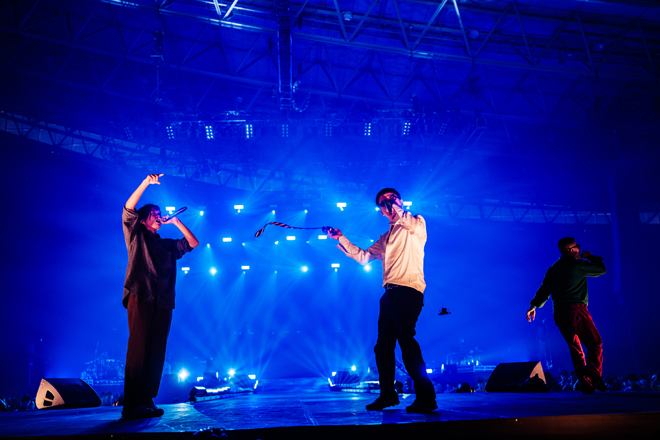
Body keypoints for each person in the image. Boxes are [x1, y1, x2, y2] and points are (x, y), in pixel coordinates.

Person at [327, 188, 437, 413]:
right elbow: (364, 257)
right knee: (382, 347)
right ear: (380, 211)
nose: (387, 202)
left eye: (391, 198)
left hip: (409, 290)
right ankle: (387, 395)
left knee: (406, 339)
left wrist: (395, 207)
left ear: (400, 201)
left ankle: (426, 396)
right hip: (389, 294)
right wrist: (341, 238)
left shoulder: (416, 223)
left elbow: (409, 223)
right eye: (383, 202)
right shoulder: (384, 238)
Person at [121, 174, 199, 419]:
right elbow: (129, 208)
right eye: (153, 213)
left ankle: (146, 399)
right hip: (141, 293)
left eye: (159, 213)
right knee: (139, 347)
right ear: (143, 220)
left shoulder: (166, 245)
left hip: (163, 300)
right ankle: (132, 403)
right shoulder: (136, 234)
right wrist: (145, 182)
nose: (158, 215)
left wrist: (175, 222)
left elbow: (193, 243)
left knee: (157, 350)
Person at [526, 237, 607, 394]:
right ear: (570, 250)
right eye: (577, 247)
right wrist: (590, 257)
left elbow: (544, 290)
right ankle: (592, 370)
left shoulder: (553, 269)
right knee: (595, 342)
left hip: (559, 313)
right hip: (576, 310)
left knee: (575, 348)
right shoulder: (577, 265)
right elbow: (601, 269)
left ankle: (586, 384)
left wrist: (533, 306)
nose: (579, 249)